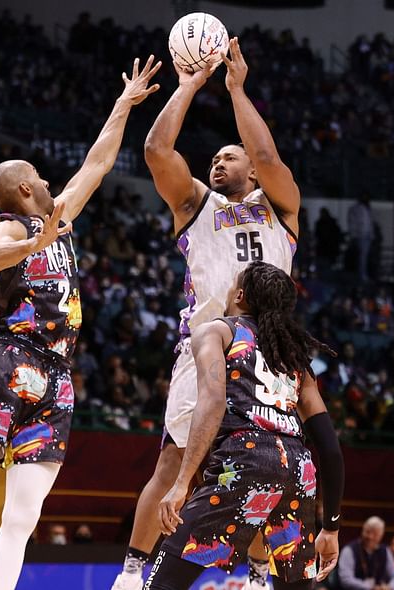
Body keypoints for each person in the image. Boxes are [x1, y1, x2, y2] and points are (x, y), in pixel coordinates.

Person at [0, 55, 160, 590]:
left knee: (23, 515)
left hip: (59, 376)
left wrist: (122, 104)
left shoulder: (58, 217)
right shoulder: (9, 225)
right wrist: (28, 244)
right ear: (23, 190)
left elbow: (97, 164)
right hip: (14, 358)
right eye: (38, 178)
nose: (46, 180)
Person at [114, 38, 301, 590]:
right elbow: (155, 150)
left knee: (269, 461)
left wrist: (237, 89)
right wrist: (190, 83)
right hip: (206, 345)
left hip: (269, 349)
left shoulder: (282, 206)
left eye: (228, 155)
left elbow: (267, 158)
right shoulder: (196, 204)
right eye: (214, 158)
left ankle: (262, 571)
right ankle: (130, 571)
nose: (218, 161)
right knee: (174, 463)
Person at [148, 261, 343, 590]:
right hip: (298, 467)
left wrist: (182, 483)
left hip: (246, 456)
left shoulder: (218, 331)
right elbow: (330, 448)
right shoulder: (295, 358)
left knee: (163, 583)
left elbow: (212, 403)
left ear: (239, 294)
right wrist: (332, 527)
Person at [338, 517, 394, 590]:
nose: (370, 537)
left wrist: (389, 587)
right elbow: (346, 580)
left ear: (381, 536)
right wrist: (369, 588)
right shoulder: (349, 550)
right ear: (362, 530)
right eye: (368, 532)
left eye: (375, 534)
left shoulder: (385, 551)